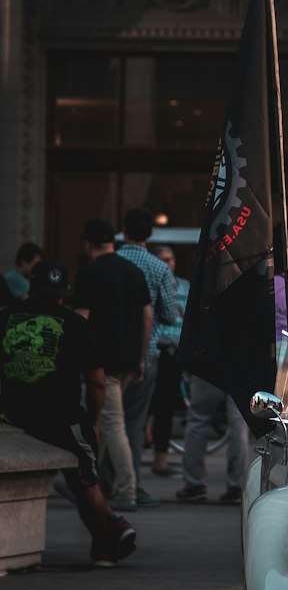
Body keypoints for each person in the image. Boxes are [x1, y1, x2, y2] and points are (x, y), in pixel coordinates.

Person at [0, 259, 137, 566]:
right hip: (61, 418)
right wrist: (94, 421)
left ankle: (113, 528)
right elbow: (97, 381)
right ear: (65, 292)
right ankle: (106, 543)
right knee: (86, 482)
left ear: (32, 285)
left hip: (13, 418)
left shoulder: (4, 318)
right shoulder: (76, 324)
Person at [72, 217, 152, 513]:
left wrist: (73, 359)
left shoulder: (88, 274)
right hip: (129, 361)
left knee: (111, 424)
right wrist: (141, 357)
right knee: (104, 425)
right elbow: (147, 317)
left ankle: (125, 488)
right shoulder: (134, 272)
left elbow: (80, 319)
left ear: (89, 243)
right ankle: (83, 479)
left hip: (101, 363)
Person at [117, 208, 180, 506]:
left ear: (124, 230)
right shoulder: (160, 269)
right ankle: (131, 485)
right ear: (149, 234)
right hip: (148, 353)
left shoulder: (110, 264)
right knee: (134, 422)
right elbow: (168, 314)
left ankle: (104, 481)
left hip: (108, 354)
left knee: (105, 421)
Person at [174, 375, 251, 505]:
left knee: (198, 420)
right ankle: (236, 486)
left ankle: (194, 484)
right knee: (239, 423)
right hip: (241, 364)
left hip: (208, 362)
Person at [148, 244, 189, 477]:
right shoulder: (152, 284)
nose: (168, 264)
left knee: (165, 406)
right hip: (155, 348)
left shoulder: (185, 285)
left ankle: (159, 457)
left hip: (175, 352)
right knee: (151, 404)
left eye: (170, 259)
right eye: (162, 259)